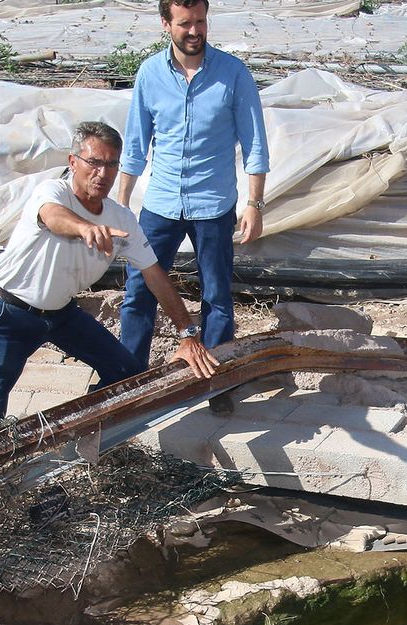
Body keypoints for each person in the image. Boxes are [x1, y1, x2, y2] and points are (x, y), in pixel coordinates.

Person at [0, 121, 216, 431]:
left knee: (125, 373)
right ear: (73, 162)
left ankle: (79, 432)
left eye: (111, 164)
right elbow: (53, 217)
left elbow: (155, 276)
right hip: (9, 313)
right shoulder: (52, 191)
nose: (103, 173)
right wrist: (85, 228)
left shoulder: (121, 218)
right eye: (94, 162)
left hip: (61, 315)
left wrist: (187, 334)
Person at [115, 0, 269, 372]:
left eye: (200, 22)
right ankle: (126, 376)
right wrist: (119, 206)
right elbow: (135, 145)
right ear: (166, 24)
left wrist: (254, 204)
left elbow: (255, 144)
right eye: (185, 23)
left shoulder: (233, 74)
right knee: (138, 292)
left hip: (213, 206)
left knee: (216, 297)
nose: (195, 31)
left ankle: (216, 381)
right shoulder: (150, 74)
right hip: (161, 205)